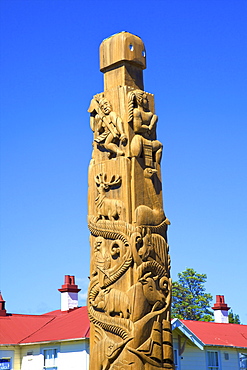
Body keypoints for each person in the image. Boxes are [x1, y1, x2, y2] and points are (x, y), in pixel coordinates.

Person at [128, 90, 163, 166]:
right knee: (136, 146)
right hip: (140, 138)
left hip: (149, 139)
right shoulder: (137, 112)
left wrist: (153, 123)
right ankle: (136, 165)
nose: (148, 101)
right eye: (145, 99)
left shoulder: (150, 114)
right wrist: (149, 127)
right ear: (140, 100)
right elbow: (137, 128)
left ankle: (157, 166)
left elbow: (153, 126)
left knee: (159, 145)